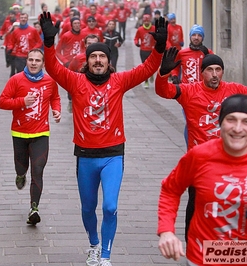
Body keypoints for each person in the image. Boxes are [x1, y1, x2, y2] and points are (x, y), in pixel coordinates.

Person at [40, 11, 167, 266]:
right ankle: (94, 245)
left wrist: (159, 47)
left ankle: (106, 256)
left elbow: (147, 68)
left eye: (102, 57)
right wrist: (49, 43)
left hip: (112, 155)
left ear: (109, 62)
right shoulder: (75, 81)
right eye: (93, 56)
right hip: (85, 156)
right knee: (88, 210)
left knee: (109, 207)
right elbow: (52, 67)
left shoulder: (119, 81)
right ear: (87, 61)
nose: (98, 60)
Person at [155, 47, 247, 244]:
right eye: (209, 70)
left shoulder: (233, 90)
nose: (214, 74)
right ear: (201, 72)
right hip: (201, 163)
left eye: (218, 69)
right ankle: (193, 245)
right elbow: (164, 91)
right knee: (196, 205)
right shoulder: (189, 91)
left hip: (232, 160)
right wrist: (163, 74)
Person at [157, 94, 247, 266]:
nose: (238, 129)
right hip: (202, 257)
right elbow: (170, 189)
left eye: (246, 121)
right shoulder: (199, 155)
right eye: (231, 120)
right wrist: (166, 230)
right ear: (220, 123)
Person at [0, 49, 61, 225]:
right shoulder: (16, 80)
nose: (33, 63)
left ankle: (34, 208)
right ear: (26, 61)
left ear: (43, 64)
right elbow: (2, 102)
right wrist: (21, 102)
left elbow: (55, 98)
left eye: (37, 60)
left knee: (38, 170)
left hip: (41, 133)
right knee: (21, 167)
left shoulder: (50, 81)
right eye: (31, 60)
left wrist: (56, 110)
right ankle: (20, 175)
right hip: (19, 133)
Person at [56, 16, 86, 113]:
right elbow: (57, 51)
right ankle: (70, 100)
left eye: (78, 23)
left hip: (81, 64)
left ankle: (81, 103)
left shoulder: (84, 35)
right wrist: (65, 61)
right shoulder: (66, 36)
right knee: (71, 85)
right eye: (75, 24)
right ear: (71, 25)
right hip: (69, 64)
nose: (77, 25)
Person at [6, 12, 43, 77]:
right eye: (22, 18)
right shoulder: (15, 32)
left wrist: (34, 49)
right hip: (19, 56)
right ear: (19, 19)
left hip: (31, 56)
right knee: (21, 74)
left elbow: (39, 42)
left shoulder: (33, 30)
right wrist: (10, 48)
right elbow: (11, 42)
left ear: (27, 19)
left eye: (25, 18)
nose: (23, 19)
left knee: (31, 74)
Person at [134, 13, 156, 88]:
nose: (146, 23)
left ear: (150, 21)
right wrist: (136, 43)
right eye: (145, 21)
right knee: (145, 66)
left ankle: (151, 74)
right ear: (143, 22)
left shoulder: (153, 29)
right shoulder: (140, 29)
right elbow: (136, 38)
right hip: (143, 50)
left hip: (152, 50)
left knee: (152, 65)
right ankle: (146, 81)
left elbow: (157, 38)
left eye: (148, 21)